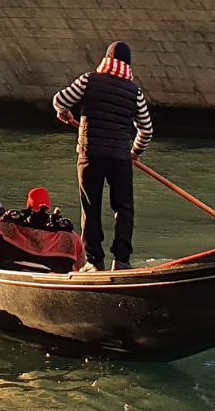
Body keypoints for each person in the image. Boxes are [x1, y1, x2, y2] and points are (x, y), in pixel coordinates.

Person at [51, 41, 154, 271]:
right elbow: (146, 130)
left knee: (91, 207)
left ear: (106, 58)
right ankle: (122, 261)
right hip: (120, 157)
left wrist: (65, 113)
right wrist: (135, 152)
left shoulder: (88, 80)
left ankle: (94, 261)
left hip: (90, 154)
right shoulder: (135, 92)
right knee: (124, 208)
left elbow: (59, 100)